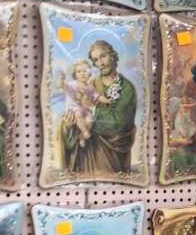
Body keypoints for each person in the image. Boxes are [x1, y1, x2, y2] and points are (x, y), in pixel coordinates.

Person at [59, 40, 137, 178]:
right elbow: (75, 113)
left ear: (112, 55)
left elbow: (119, 121)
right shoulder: (89, 85)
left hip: (112, 159)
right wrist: (68, 126)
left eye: (103, 56)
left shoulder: (127, 88)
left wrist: (90, 106)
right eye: (96, 60)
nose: (100, 63)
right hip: (86, 156)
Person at [58, 59, 113, 148]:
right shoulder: (72, 84)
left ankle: (82, 137)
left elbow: (98, 96)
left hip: (85, 110)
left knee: (90, 120)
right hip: (73, 109)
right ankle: (85, 132)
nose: (82, 74)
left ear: (90, 73)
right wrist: (61, 79)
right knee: (78, 114)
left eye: (85, 71)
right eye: (79, 71)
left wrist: (107, 100)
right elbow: (61, 86)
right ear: (75, 74)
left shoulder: (91, 87)